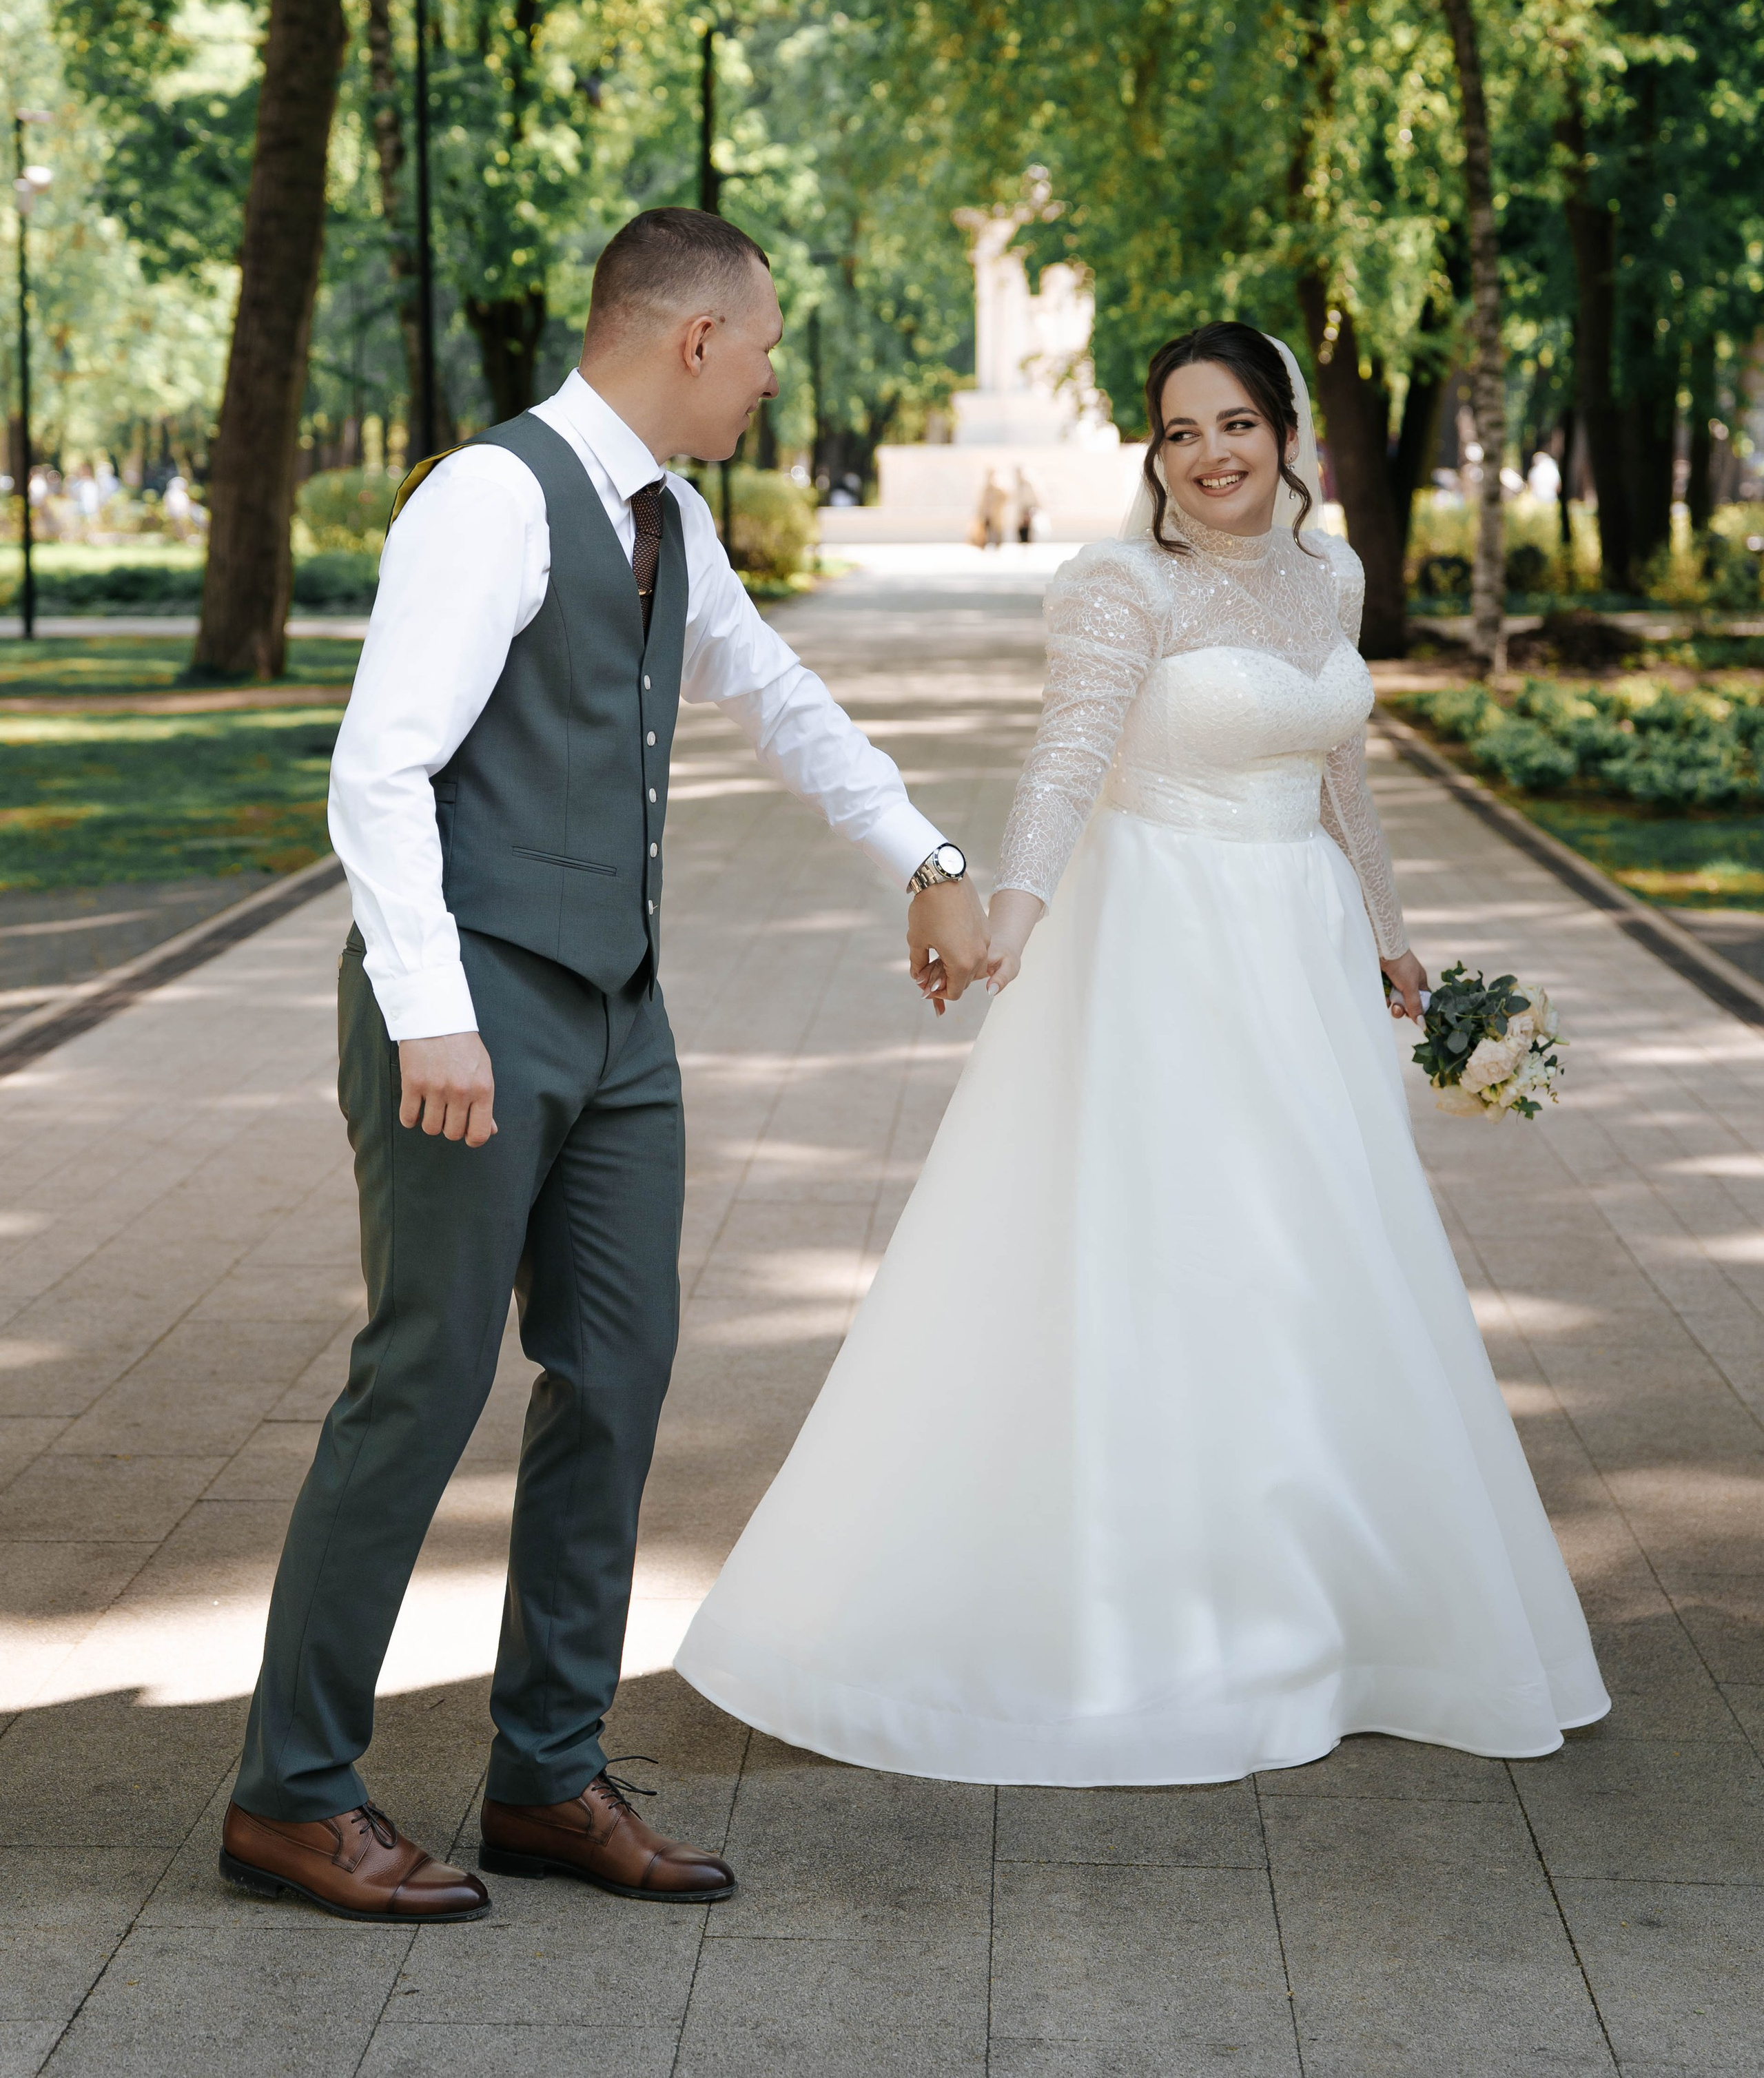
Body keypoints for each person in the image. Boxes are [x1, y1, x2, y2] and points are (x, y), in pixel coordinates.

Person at [676, 320, 1608, 1787]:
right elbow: (1062, 761)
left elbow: (1338, 769)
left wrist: (1389, 928)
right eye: (1178, 433)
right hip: (1162, 943)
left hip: (1295, 946)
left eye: (1232, 424)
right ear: (1153, 455)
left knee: (1319, 1256)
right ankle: (1160, 1626)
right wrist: (1008, 917)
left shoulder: (1331, 575)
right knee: (1184, 1257)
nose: (1208, 456)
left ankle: (1331, 1613)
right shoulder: (1120, 587)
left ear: (1284, 431)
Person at [219, 207, 989, 1921]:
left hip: (618, 1015)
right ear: (694, 341)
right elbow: (381, 768)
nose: (776, 377)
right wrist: (429, 1005)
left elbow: (781, 700)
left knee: (617, 1376)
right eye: (767, 345)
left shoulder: (671, 520)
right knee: (420, 1381)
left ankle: (547, 1775)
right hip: (470, 1008)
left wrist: (928, 862)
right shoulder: (488, 499)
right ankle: (288, 1794)